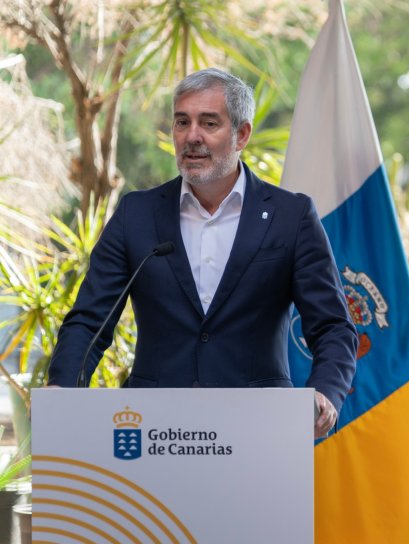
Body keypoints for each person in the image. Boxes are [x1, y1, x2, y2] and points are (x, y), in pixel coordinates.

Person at [47, 68, 358, 438]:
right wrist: (62, 390)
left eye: (209, 123)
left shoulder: (291, 217)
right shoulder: (137, 215)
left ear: (242, 134)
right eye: (182, 122)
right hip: (154, 432)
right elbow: (89, 321)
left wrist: (326, 392)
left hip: (260, 431)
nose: (192, 137)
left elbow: (333, 326)